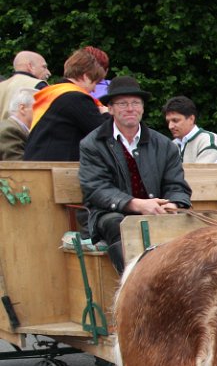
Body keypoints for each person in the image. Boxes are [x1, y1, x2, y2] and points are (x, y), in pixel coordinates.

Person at [78, 76, 191, 273]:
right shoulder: (92, 144)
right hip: (109, 214)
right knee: (121, 225)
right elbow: (96, 188)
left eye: (135, 103)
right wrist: (137, 204)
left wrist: (173, 204)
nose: (130, 108)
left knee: (191, 229)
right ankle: (135, 284)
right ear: (110, 109)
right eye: (122, 103)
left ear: (142, 108)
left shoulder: (164, 145)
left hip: (156, 213)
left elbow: (177, 186)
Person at [23, 47, 109, 161]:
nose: (94, 90)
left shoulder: (55, 93)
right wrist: (106, 114)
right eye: (95, 83)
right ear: (86, 76)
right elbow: (104, 135)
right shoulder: (76, 98)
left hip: (38, 164)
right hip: (57, 168)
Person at [162, 96, 217, 163]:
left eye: (175, 120)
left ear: (191, 119)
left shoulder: (209, 141)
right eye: (168, 122)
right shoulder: (171, 146)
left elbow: (202, 170)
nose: (170, 126)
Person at [0, 51, 49, 120]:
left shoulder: (2, 85)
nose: (48, 72)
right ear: (30, 66)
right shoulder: (39, 84)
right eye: (44, 67)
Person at [0, 88, 34, 160]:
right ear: (23, 108)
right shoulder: (9, 130)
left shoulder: (12, 127)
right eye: (38, 107)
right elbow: (18, 164)